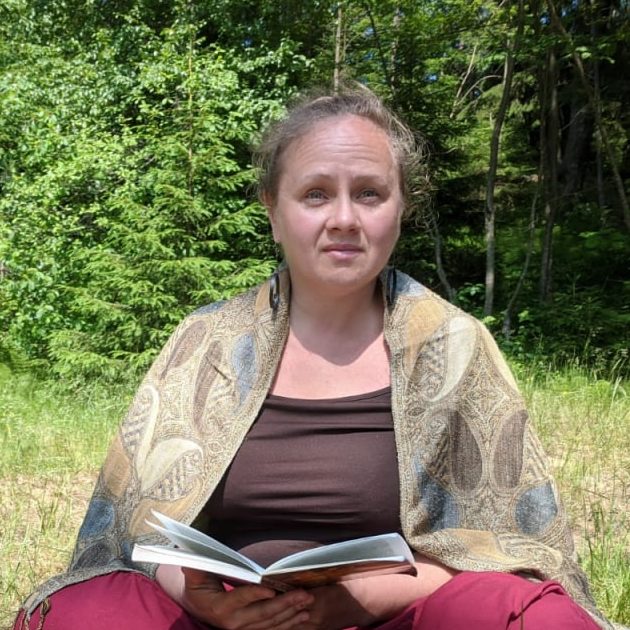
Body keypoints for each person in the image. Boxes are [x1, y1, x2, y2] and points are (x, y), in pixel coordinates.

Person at [14, 86, 612, 630]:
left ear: (400, 208)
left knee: (534, 618)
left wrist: (358, 601)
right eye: (316, 194)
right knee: (85, 613)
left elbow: (506, 547)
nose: (344, 219)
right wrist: (199, 599)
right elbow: (134, 533)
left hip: (392, 620)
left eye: (369, 193)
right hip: (219, 621)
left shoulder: (453, 344)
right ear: (274, 212)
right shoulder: (207, 341)